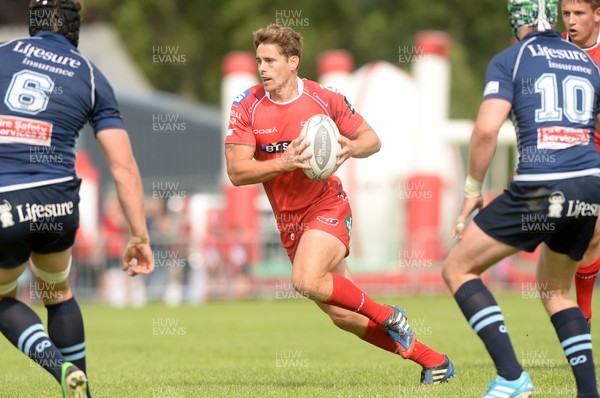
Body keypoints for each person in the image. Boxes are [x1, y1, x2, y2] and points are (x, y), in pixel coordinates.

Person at [225, 23, 454, 385]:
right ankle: (434, 360)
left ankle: (390, 314)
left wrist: (348, 148)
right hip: (289, 223)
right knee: (345, 317)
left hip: (326, 207)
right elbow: (237, 172)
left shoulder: (323, 98)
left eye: (270, 61)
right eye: (259, 61)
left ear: (293, 62)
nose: (263, 69)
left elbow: (371, 140)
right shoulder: (247, 105)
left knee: (304, 279)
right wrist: (285, 161)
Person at [442, 0, 600, 396]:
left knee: (458, 268)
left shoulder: (511, 58)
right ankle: (588, 393)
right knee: (555, 290)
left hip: (542, 187)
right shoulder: (586, 62)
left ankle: (512, 377)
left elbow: (485, 130)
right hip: (589, 185)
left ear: (516, 20)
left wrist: (472, 191)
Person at [0, 1, 154, 397]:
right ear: (74, 24)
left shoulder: (2, 55)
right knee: (57, 293)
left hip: (7, 198)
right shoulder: (90, 75)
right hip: (59, 200)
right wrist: (140, 235)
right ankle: (81, 389)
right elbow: (124, 167)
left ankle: (60, 367)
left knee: (1, 296)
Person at [561, 0, 600, 326]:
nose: (571, 21)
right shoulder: (552, 52)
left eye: (579, 14)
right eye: (566, 14)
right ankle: (582, 315)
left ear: (598, 14)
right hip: (567, 158)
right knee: (589, 233)